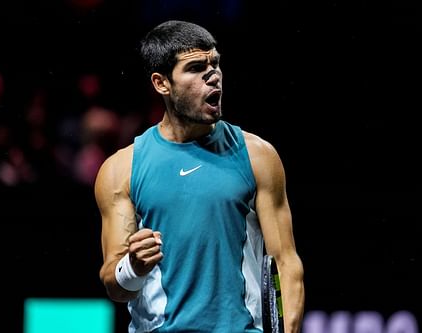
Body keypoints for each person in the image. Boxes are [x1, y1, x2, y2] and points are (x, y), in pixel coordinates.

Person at [95, 20, 305, 333]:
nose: (213, 75)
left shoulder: (258, 155)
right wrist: (133, 267)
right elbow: (116, 285)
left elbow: (285, 262)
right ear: (161, 83)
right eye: (195, 67)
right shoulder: (121, 169)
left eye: (215, 63)